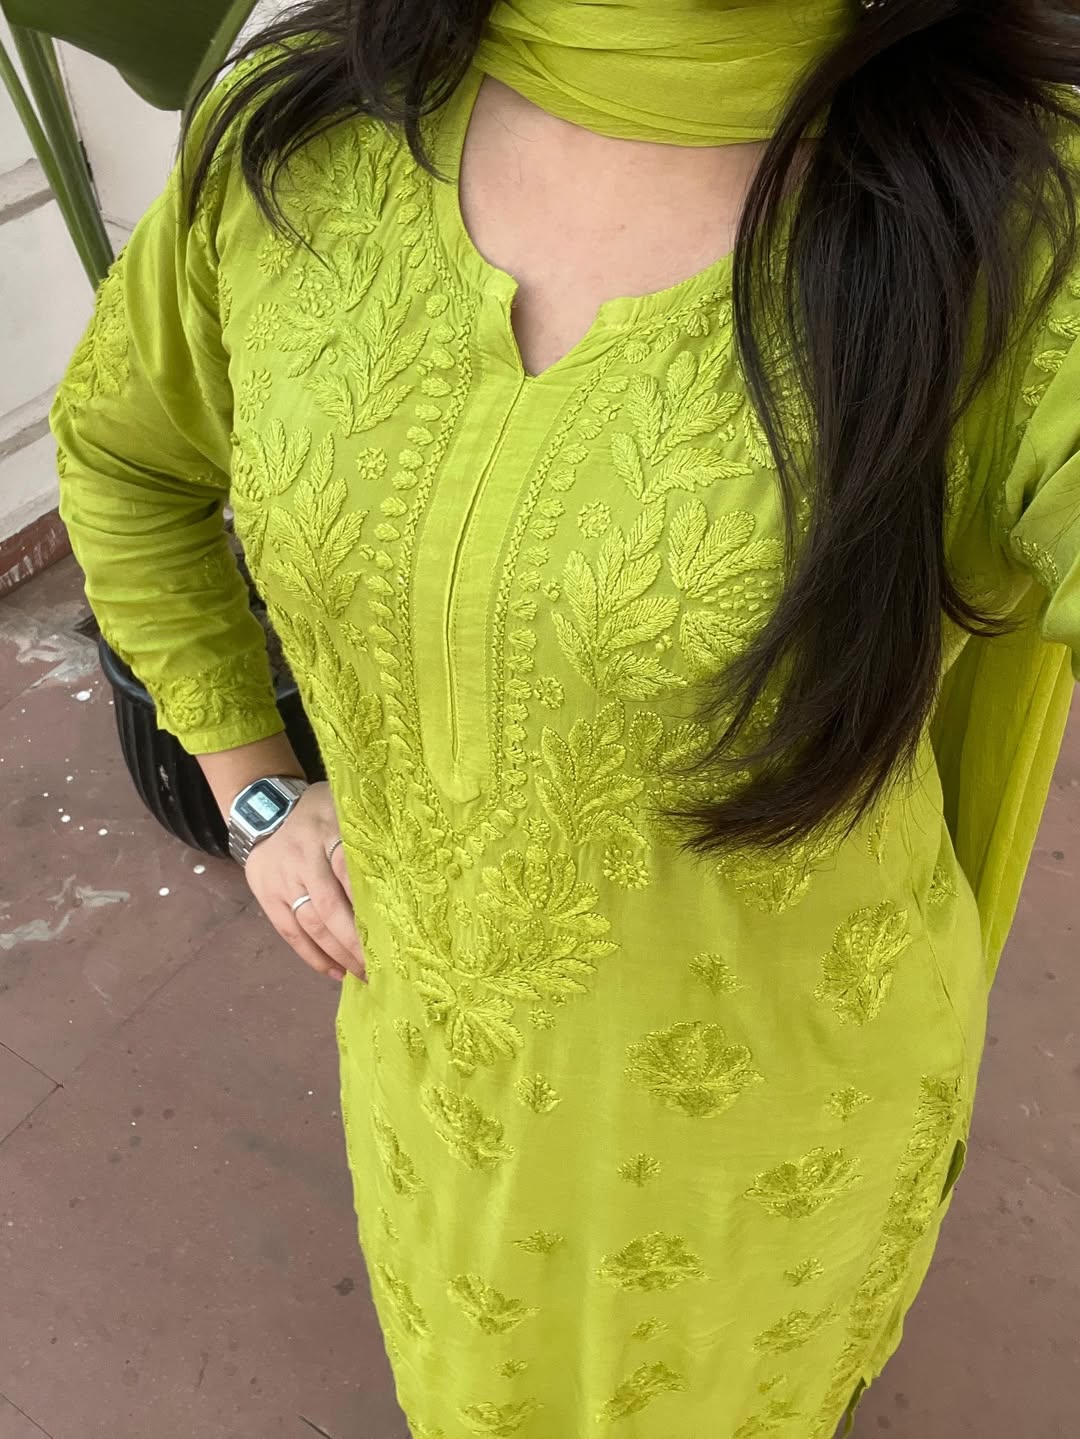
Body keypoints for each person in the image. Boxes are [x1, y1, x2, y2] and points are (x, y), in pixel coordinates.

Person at [52, 0, 1080, 1434]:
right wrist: (258, 792)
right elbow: (123, 457)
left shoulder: (1019, 218)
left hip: (767, 1136)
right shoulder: (305, 132)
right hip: (436, 1096)